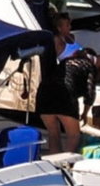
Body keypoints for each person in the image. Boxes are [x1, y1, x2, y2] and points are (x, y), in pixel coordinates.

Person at [32, 8, 84, 156]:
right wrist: (86, 110)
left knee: (53, 133)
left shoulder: (49, 42)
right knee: (73, 135)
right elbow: (89, 90)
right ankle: (67, 165)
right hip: (63, 92)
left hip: (45, 90)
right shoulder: (83, 66)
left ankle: (55, 165)